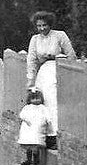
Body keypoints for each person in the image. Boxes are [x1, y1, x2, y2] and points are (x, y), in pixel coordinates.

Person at [25, 11, 75, 150]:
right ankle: (45, 136)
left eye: (44, 25)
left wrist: (58, 58)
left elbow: (71, 55)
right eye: (39, 26)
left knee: (54, 103)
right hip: (43, 73)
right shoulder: (35, 39)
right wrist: (30, 80)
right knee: (43, 103)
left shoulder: (60, 35)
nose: (42, 28)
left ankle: (55, 136)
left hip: (57, 71)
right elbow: (31, 60)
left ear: (50, 24)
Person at [18, 88, 52, 165]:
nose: (36, 100)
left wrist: (48, 121)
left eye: (38, 98)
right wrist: (26, 120)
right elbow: (22, 115)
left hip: (38, 127)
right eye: (33, 98)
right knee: (28, 145)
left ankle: (36, 161)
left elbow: (47, 115)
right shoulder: (27, 107)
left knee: (35, 144)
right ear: (30, 99)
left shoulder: (42, 108)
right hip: (28, 128)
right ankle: (28, 160)